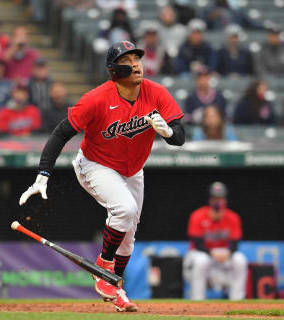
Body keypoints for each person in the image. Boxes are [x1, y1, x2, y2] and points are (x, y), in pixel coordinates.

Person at [18, 41, 185, 312]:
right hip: (95, 165)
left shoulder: (156, 92)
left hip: (132, 171)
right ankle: (104, 266)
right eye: (127, 60)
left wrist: (168, 133)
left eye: (137, 58)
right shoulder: (96, 98)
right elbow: (61, 133)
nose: (135, 64)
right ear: (113, 70)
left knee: (128, 236)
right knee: (124, 209)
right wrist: (43, 174)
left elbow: (180, 136)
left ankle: (115, 288)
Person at [183, 182, 247, 300]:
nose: (218, 202)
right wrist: (212, 253)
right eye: (215, 198)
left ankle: (237, 300)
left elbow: (235, 243)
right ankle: (197, 300)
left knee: (240, 259)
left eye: (220, 198)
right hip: (201, 254)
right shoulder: (197, 215)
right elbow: (197, 244)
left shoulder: (233, 217)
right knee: (201, 260)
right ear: (210, 200)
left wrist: (228, 253)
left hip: (223, 255)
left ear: (225, 200)